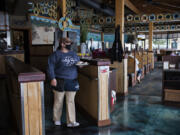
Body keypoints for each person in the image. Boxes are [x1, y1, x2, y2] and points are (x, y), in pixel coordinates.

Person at [47, 37, 80, 127]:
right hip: (59, 80)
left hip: (72, 80)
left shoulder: (73, 54)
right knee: (58, 101)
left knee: (71, 101)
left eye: (70, 43)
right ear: (62, 44)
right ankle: (56, 119)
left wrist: (80, 66)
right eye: (68, 43)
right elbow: (50, 67)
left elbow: (78, 63)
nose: (70, 45)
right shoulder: (55, 54)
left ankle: (71, 121)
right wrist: (53, 78)